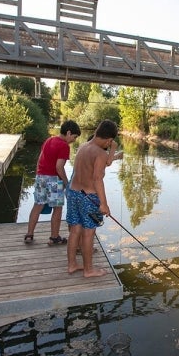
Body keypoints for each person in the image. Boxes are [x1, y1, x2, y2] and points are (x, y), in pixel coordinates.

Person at [66, 119, 119, 277]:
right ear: (109, 140)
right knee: (89, 233)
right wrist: (104, 204)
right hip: (89, 198)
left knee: (75, 231)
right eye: (110, 142)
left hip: (73, 193)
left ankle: (72, 265)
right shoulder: (100, 153)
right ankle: (88, 270)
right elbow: (97, 179)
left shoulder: (83, 146)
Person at [23, 120, 81, 246]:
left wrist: (39, 175)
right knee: (57, 208)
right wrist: (67, 183)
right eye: (74, 137)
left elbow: (39, 159)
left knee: (37, 206)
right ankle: (54, 237)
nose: (74, 140)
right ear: (69, 132)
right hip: (54, 180)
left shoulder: (49, 140)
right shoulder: (64, 146)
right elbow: (59, 167)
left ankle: (29, 235)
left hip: (40, 177)